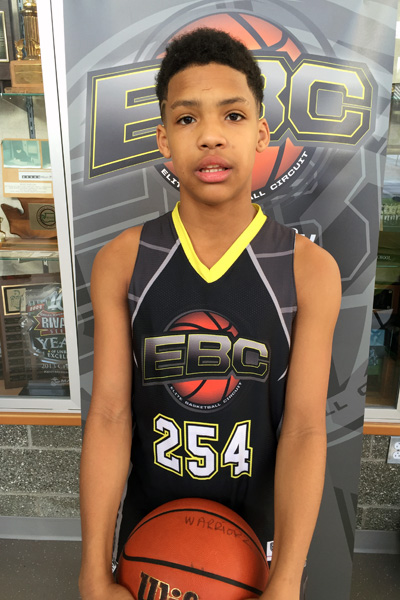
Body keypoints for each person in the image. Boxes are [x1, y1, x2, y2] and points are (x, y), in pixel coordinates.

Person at [79, 28, 341, 600]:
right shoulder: (123, 261)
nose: (211, 136)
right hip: (149, 536)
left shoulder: (309, 270)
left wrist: (287, 579)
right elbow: (110, 415)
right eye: (187, 118)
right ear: (164, 139)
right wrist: (92, 571)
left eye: (233, 115)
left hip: (256, 544)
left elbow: (303, 429)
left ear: (261, 133)